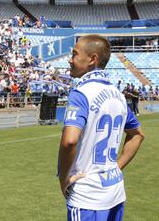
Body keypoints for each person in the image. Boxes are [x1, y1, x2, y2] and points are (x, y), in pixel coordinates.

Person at [58, 35, 145, 221]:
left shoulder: (81, 93)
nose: (70, 59)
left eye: (74, 54)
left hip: (87, 197)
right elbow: (137, 135)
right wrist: (117, 167)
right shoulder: (118, 95)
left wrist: (63, 181)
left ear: (92, 59)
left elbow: (69, 142)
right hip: (115, 192)